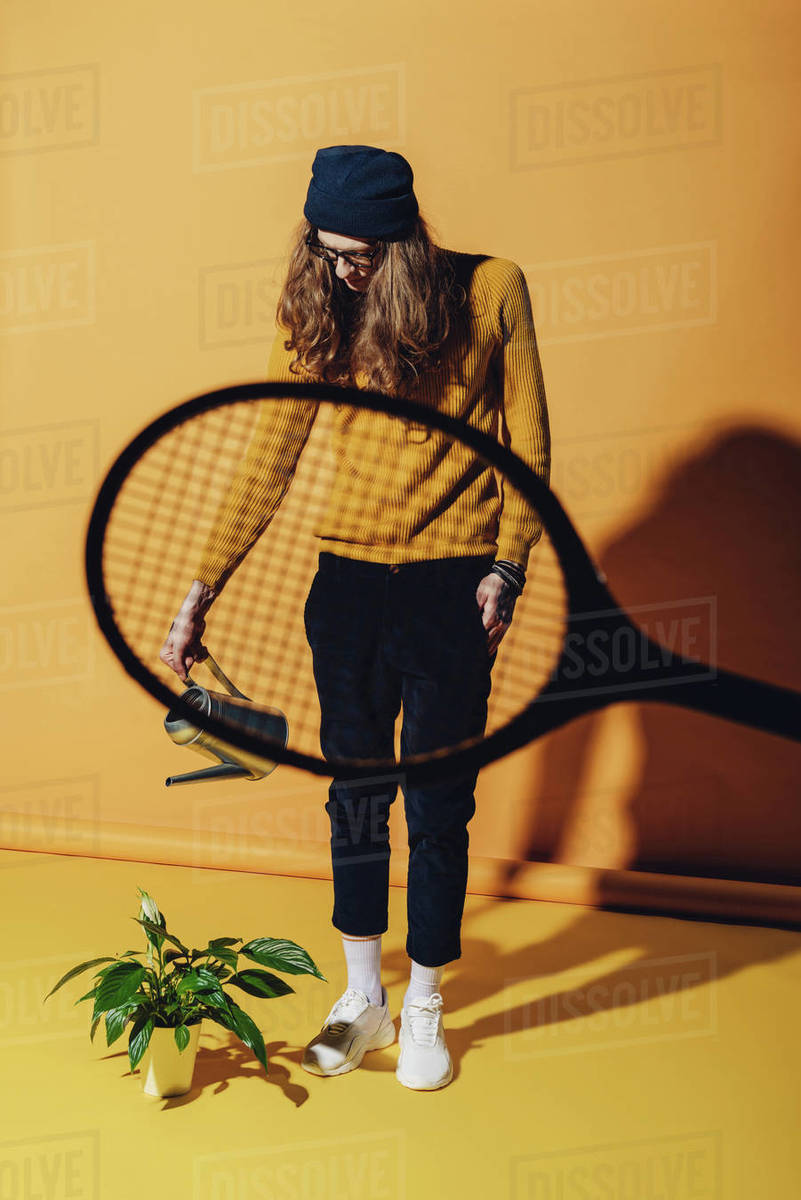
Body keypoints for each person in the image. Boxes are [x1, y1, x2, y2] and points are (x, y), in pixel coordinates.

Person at [160, 144, 551, 1090]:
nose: (346, 270)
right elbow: (268, 457)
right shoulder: (321, 311)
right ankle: (360, 996)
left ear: (406, 241)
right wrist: (200, 587)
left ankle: (424, 1000)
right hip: (345, 590)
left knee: (439, 803)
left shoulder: (493, 289)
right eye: (329, 252)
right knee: (355, 797)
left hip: (451, 586)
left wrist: (506, 563)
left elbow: (529, 443)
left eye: (363, 254)